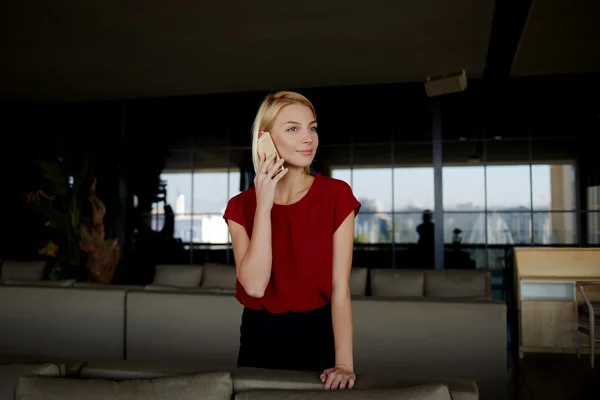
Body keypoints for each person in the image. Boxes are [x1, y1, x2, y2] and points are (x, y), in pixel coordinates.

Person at [223, 91, 361, 390]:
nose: (308, 138)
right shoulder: (240, 207)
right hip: (259, 336)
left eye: (312, 127)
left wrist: (344, 364)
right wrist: (264, 204)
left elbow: (340, 289)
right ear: (265, 140)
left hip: (319, 332)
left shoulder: (336, 195)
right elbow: (256, 286)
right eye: (292, 128)